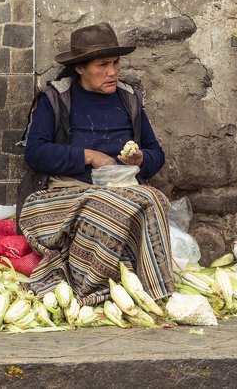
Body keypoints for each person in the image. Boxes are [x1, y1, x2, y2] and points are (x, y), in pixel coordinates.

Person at [18, 22, 174, 306]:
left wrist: (141, 159)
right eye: (102, 65)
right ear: (80, 68)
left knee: (156, 199)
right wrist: (87, 156)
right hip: (64, 195)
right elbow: (35, 153)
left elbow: (156, 153)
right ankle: (93, 291)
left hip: (122, 189)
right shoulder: (56, 99)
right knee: (108, 206)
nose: (112, 72)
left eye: (116, 63)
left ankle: (157, 290)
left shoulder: (129, 99)